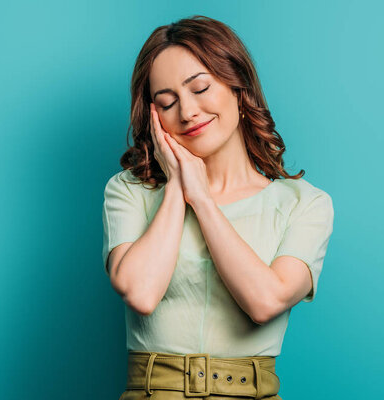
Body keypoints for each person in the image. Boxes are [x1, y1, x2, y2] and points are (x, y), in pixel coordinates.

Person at [101, 15, 334, 400]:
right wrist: (178, 184)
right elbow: (141, 293)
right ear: (154, 116)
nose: (188, 112)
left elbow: (265, 302)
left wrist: (203, 200)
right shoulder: (129, 191)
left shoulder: (305, 204)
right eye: (167, 101)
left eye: (200, 88)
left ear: (238, 88)